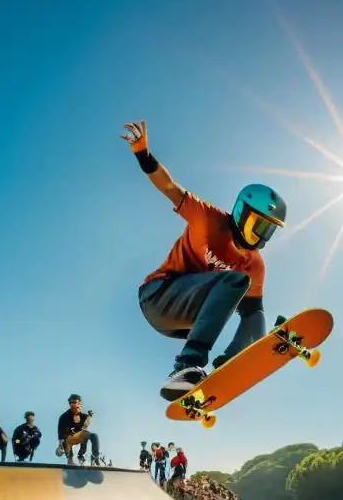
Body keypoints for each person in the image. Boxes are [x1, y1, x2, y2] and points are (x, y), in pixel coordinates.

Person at [123, 120, 286, 400]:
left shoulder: (255, 263)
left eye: (267, 231)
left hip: (181, 323)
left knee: (248, 301)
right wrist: (143, 154)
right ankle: (187, 365)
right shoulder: (208, 218)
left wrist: (256, 348)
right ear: (241, 213)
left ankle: (230, 359)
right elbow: (169, 187)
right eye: (258, 226)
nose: (260, 237)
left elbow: (253, 313)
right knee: (236, 281)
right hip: (156, 296)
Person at [56, 394, 100, 466]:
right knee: (66, 438)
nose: (73, 406)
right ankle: (70, 459)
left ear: (79, 404)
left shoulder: (84, 416)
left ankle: (93, 457)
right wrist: (60, 446)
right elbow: (61, 434)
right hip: (69, 438)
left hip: (79, 436)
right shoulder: (64, 417)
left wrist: (89, 417)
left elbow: (85, 429)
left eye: (75, 403)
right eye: (71, 403)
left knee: (93, 435)